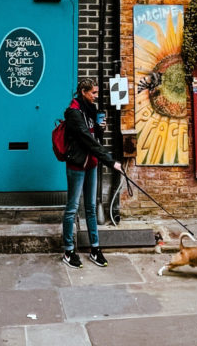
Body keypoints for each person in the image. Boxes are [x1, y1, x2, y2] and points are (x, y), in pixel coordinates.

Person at [61, 78, 123, 270]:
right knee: (72, 208)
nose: (96, 96)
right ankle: (68, 250)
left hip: (92, 164)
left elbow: (95, 136)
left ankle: (95, 248)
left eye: (96, 93)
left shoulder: (91, 110)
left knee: (90, 208)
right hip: (77, 164)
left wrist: (100, 129)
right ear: (84, 92)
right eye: (93, 93)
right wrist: (111, 162)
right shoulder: (73, 113)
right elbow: (87, 140)